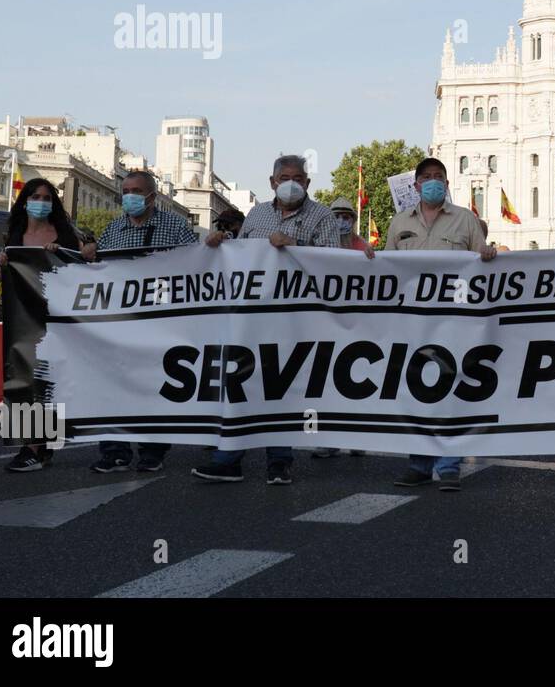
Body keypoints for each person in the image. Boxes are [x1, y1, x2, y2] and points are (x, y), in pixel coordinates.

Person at [193, 155, 342, 486]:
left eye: (299, 177)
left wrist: (297, 246)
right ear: (272, 182)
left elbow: (334, 266)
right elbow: (242, 258)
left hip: (296, 317)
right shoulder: (257, 214)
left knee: (281, 385)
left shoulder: (323, 216)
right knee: (242, 383)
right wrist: (222, 246)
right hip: (253, 315)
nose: (292, 182)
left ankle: (279, 461)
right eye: (284, 177)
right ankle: (229, 459)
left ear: (307, 183)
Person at [389, 157, 497, 492]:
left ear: (447, 184)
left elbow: (481, 258)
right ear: (416, 185)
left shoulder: (465, 219)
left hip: (453, 319)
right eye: (427, 177)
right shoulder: (398, 222)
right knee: (416, 390)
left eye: (439, 177)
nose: (433, 182)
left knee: (449, 388)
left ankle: (448, 465)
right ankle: (418, 463)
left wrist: (489, 254)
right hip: (413, 321)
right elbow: (387, 269)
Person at [83, 171, 197, 473]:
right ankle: (114, 451)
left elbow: (195, 265)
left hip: (160, 321)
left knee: (154, 386)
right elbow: (100, 272)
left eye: (136, 190)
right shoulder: (113, 230)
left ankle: (152, 450)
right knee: (112, 384)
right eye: (125, 190)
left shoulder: (175, 227)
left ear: (152, 196)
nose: (129, 196)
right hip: (119, 321)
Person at [0, 179, 86, 472]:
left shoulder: (64, 233)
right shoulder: (16, 234)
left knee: (47, 382)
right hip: (22, 317)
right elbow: (10, 269)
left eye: (47, 197)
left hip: (56, 319)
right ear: (24, 200)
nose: (41, 201)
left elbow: (85, 263)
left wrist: (63, 253)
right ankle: (32, 446)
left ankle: (39, 445)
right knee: (24, 377)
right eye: (35, 196)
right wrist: (3, 260)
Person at [313, 198, 376, 460]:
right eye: (336, 215)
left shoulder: (362, 246)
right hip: (326, 325)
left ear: (353, 219)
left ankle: (357, 437)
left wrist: (374, 259)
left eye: (346, 216)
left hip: (356, 325)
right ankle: (329, 440)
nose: (341, 220)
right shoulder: (320, 244)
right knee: (327, 384)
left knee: (357, 382)